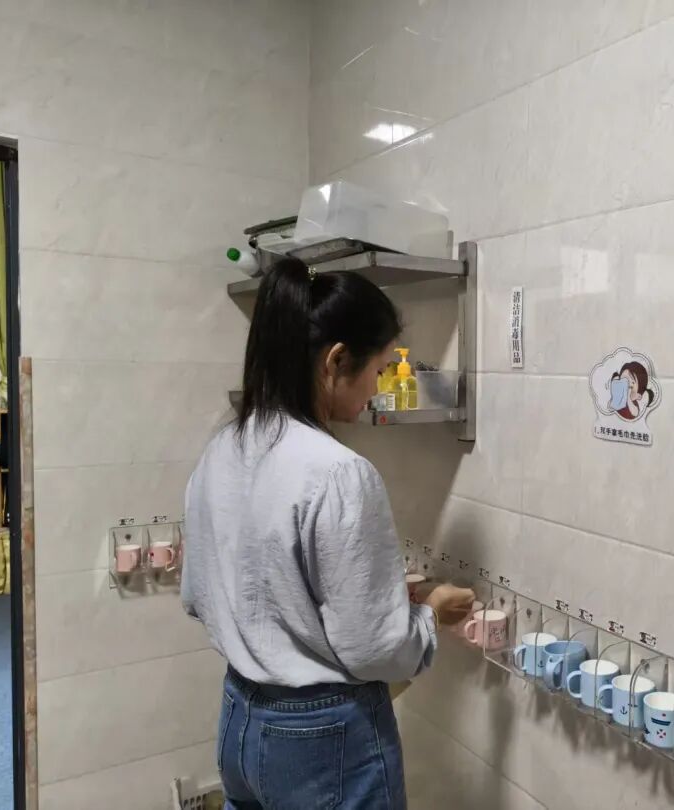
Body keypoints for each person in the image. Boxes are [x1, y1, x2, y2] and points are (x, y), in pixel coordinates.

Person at [181, 257, 475, 809]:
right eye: (379, 370)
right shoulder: (338, 471)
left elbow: (201, 592)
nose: (377, 389)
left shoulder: (224, 448)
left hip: (240, 720)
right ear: (337, 360)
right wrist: (430, 613)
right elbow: (375, 649)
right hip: (322, 740)